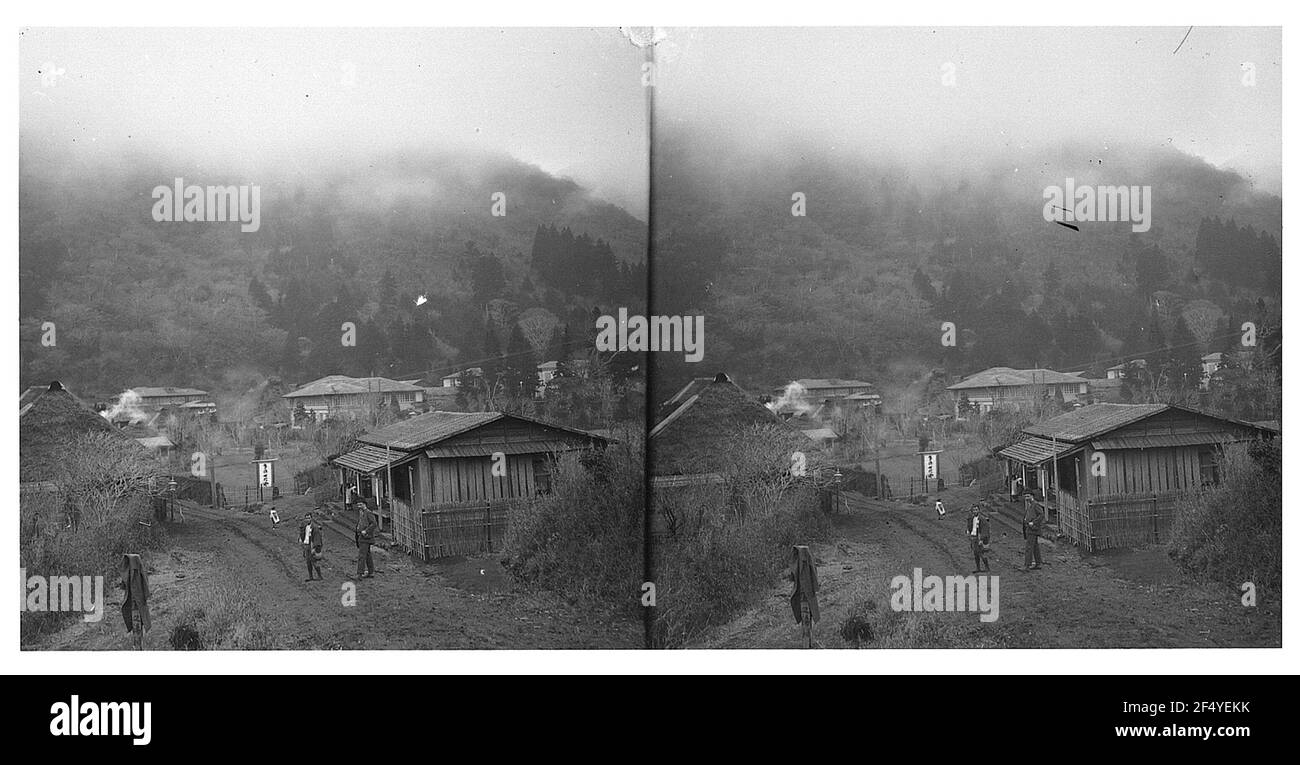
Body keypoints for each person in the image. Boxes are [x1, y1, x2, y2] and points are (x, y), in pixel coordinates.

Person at [355, 501, 377, 579]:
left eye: (360, 504)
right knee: (367, 555)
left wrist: (366, 531)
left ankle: (359, 574)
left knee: (362, 555)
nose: (359, 506)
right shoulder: (361, 513)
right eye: (358, 505)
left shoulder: (368, 513)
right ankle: (371, 572)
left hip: (366, 537)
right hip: (361, 536)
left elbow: (374, 524)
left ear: (364, 504)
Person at [968, 504, 991, 572]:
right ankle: (978, 568)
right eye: (974, 510)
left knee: (981, 553)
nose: (975, 511)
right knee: (975, 553)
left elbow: (985, 529)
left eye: (976, 510)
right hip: (973, 537)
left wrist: (981, 539)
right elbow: (970, 526)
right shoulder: (971, 518)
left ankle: (987, 567)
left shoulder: (982, 519)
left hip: (979, 538)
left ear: (979, 510)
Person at [1022, 496, 1044, 570]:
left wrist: (1034, 522)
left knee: (1029, 547)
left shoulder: (1035, 505)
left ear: (1032, 496)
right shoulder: (1029, 505)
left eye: (1028, 496)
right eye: (1025, 496)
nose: (1026, 498)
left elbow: (1041, 515)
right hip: (1029, 528)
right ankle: (1038, 563)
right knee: (1035, 546)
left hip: (1032, 529)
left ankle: (1027, 565)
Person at [299, 512, 323, 581]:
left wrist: (314, 548)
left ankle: (319, 576)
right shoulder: (304, 526)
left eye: (309, 518)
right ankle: (310, 576)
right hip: (306, 545)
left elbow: (317, 538)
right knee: (308, 562)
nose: (307, 520)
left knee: (314, 561)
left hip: (311, 546)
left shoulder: (314, 527)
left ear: (311, 518)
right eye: (306, 518)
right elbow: (303, 535)